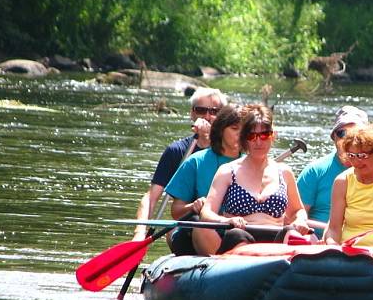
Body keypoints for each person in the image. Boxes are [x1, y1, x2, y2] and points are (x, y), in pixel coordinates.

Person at [198, 104, 311, 255]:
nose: (258, 142)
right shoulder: (227, 171)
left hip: (276, 238)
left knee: (292, 232)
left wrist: (300, 221)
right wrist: (225, 221)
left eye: (264, 135)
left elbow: (298, 211)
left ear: (272, 135)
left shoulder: (284, 172)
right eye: (252, 136)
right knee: (235, 234)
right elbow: (207, 212)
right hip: (239, 237)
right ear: (244, 139)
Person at [132, 88, 228, 241]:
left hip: (225, 220)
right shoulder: (177, 151)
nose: (208, 117)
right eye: (201, 110)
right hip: (190, 220)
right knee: (172, 232)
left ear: (223, 116)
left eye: (214, 111)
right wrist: (140, 233)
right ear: (192, 113)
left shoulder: (232, 150)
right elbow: (152, 197)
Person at [164, 104, 243, 255]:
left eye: (244, 130)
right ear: (220, 130)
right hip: (197, 231)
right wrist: (193, 206)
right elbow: (176, 211)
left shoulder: (251, 164)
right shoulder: (195, 162)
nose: (240, 135)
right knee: (194, 222)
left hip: (234, 232)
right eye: (234, 129)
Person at [297, 106, 369, 235]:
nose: (348, 140)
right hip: (319, 245)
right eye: (342, 133)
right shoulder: (315, 172)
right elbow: (294, 216)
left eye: (355, 134)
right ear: (334, 137)